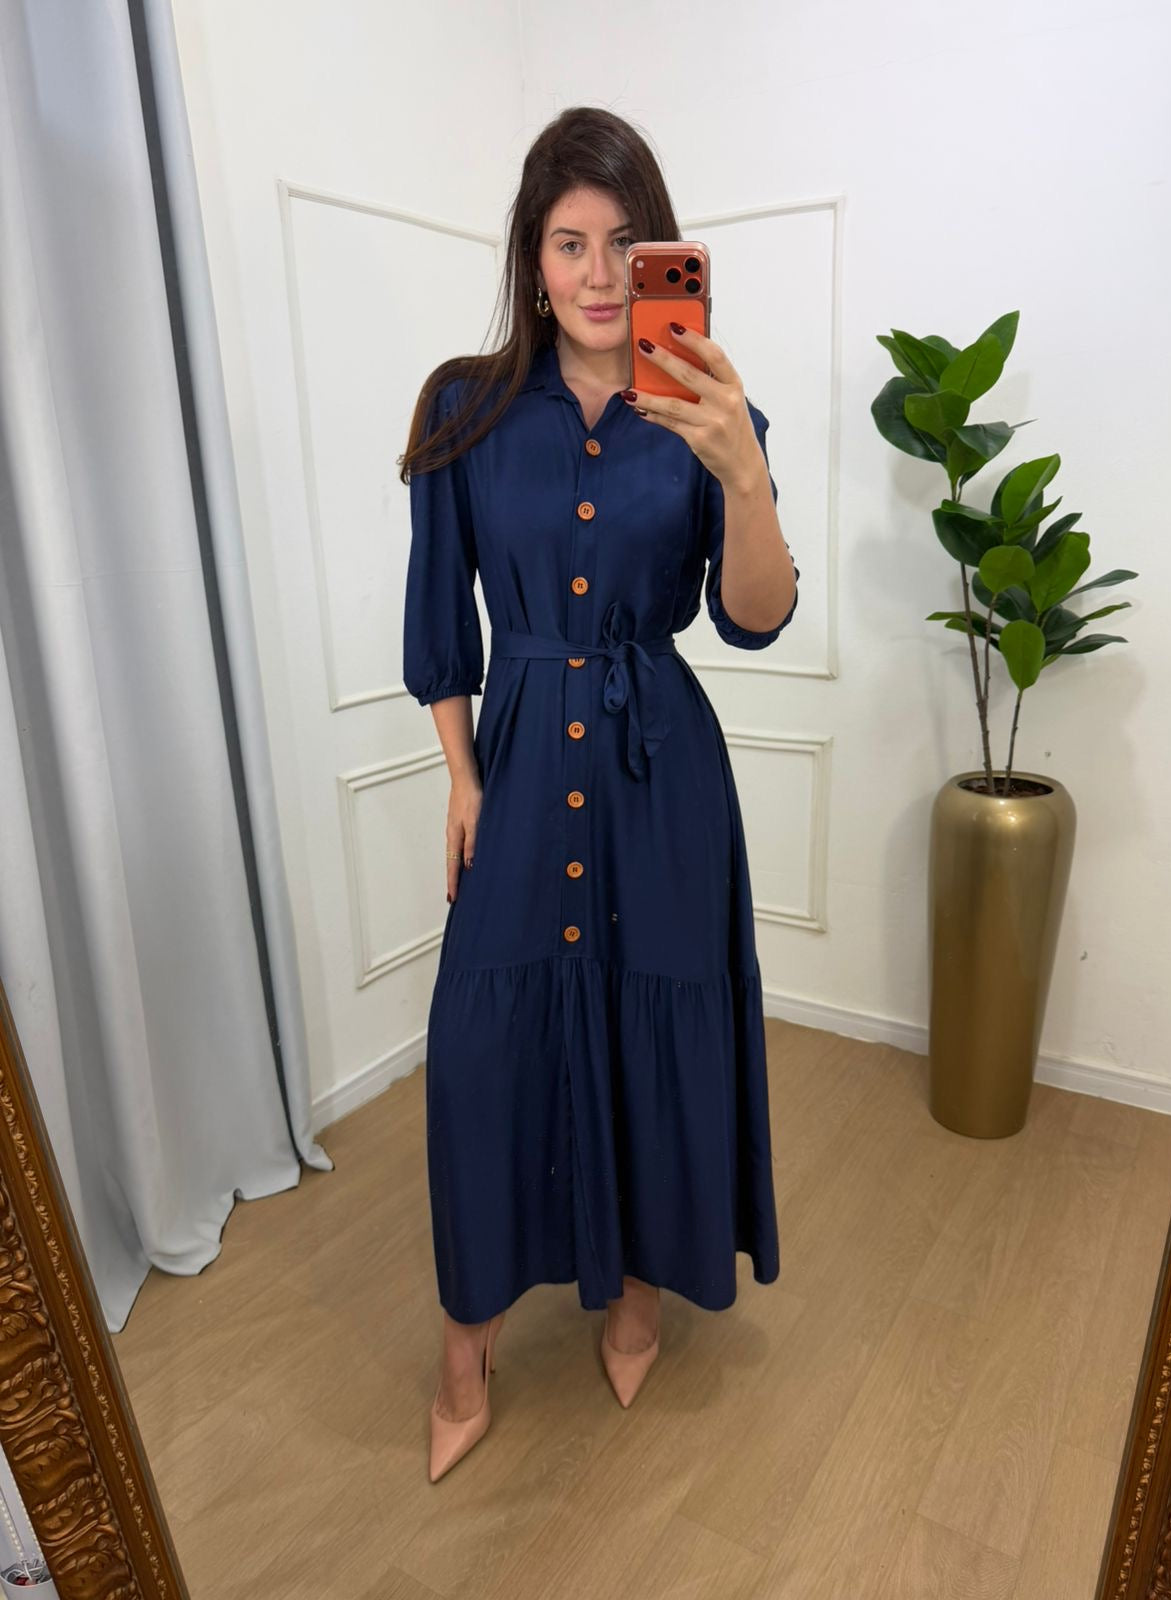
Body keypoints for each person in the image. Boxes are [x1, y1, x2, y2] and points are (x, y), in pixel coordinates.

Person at [398, 106, 800, 1482]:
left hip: (660, 770)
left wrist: (744, 473)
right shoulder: (465, 411)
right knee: (481, 1044)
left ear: (662, 255)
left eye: (629, 243)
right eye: (571, 242)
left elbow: (755, 617)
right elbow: (438, 618)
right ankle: (466, 1345)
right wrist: (461, 777)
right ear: (533, 257)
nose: (601, 272)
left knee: (649, 1020)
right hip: (519, 763)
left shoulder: (703, 410)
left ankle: (635, 1296)